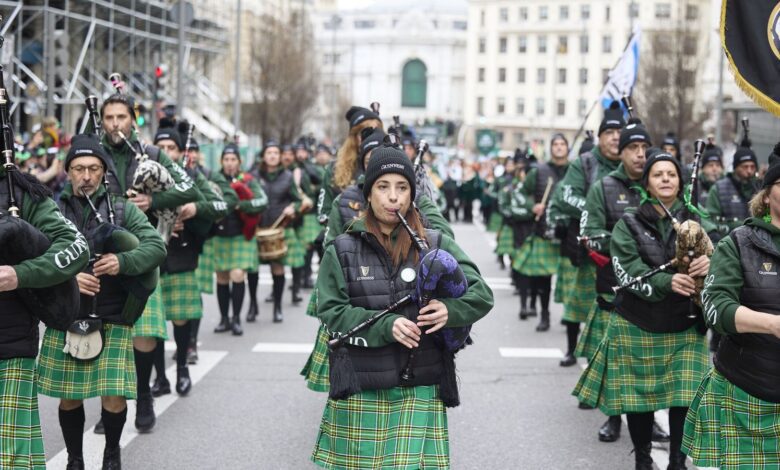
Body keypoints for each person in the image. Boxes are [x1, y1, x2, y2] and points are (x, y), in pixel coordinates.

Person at [310, 146, 493, 468]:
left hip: (419, 385)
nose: (393, 197)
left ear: (411, 194)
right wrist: (386, 326)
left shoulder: (435, 243)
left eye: (402, 187)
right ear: (368, 194)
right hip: (361, 386)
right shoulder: (341, 249)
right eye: (383, 187)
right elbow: (331, 312)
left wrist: (451, 310)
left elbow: (481, 295)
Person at [573, 152, 712, 470]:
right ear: (646, 183)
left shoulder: (697, 220)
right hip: (638, 321)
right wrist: (667, 281)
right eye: (658, 174)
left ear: (680, 183)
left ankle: (677, 461)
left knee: (685, 397)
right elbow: (627, 270)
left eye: (671, 174)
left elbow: (725, 253)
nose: (666, 179)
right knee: (639, 400)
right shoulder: (628, 223)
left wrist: (711, 260)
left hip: (685, 323)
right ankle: (643, 459)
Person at [38, 134, 166, 469]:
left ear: (104, 172)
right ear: (68, 172)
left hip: (112, 314)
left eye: (94, 168)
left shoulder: (123, 209)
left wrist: (123, 262)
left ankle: (111, 453)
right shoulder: (51, 210)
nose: (86, 176)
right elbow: (34, 258)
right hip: (67, 314)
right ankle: (75, 459)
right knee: (70, 396)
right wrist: (67, 278)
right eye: (79, 168)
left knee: (113, 395)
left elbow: (156, 247)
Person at [99, 93, 200, 432]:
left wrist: (152, 200)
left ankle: (143, 394)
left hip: (144, 252)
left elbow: (190, 189)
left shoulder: (152, 153)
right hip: (103, 251)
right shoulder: (93, 154)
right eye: (109, 117)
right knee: (107, 333)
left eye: (121, 117)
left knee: (143, 333)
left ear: (133, 119)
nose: (115, 123)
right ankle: (109, 404)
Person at [682, 145, 780, 469]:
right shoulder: (738, 243)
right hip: (747, 389)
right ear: (767, 194)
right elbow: (714, 306)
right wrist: (771, 324)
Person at [576, 121, 668, 444]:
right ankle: (614, 418)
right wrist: (626, 243)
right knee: (619, 362)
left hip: (657, 290)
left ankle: (650, 420)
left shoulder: (660, 186)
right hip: (614, 287)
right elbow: (588, 235)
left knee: (652, 363)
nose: (640, 154)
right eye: (632, 148)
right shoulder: (603, 187)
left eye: (644, 148)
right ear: (621, 152)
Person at [0, 139, 90, 470]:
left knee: (10, 458)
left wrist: (20, 274)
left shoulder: (20, 194)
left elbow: (75, 247)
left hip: (8, 345)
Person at [149, 128, 230, 397]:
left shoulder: (192, 177)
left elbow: (221, 205)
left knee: (181, 319)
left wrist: (194, 209)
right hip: (150, 258)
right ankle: (160, 376)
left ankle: (182, 366)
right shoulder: (143, 176)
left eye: (171, 147)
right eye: (161, 147)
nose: (166, 152)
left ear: (180, 152)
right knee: (153, 324)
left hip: (182, 256)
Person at [552, 101, 625, 368]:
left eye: (620, 133)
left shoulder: (633, 165)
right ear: (600, 137)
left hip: (624, 248)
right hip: (588, 249)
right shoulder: (584, 163)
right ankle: (571, 349)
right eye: (609, 133)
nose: (615, 138)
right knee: (578, 305)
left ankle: (610, 355)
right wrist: (597, 209)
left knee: (615, 307)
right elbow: (566, 195)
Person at [513, 134, 569, 331]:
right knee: (543, 280)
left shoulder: (576, 171)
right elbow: (519, 192)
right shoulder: (539, 171)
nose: (559, 147)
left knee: (569, 279)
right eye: (556, 144)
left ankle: (569, 315)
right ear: (551, 148)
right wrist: (532, 206)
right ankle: (544, 315)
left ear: (567, 148)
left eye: (562, 144)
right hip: (544, 231)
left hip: (569, 233)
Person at [211, 144, 267, 332]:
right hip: (219, 234)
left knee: (237, 275)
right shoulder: (214, 179)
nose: (229, 163)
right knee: (221, 277)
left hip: (241, 235)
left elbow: (262, 201)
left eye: (233, 159)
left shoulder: (248, 180)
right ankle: (224, 319)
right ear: (221, 161)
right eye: (226, 159)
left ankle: (236, 319)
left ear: (239, 161)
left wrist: (240, 205)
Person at [253, 140, 302, 323]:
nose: (272, 156)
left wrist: (293, 208)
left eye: (275, 152)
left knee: (277, 267)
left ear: (280, 156)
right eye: (269, 152)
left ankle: (278, 307)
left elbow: (298, 200)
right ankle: (252, 305)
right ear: (263, 156)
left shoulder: (288, 177)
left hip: (279, 230)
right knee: (252, 269)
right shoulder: (253, 175)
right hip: (257, 228)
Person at [317, 106, 382, 228]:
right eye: (365, 132)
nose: (371, 136)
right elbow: (323, 213)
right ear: (354, 137)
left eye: (376, 131)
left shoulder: (390, 166)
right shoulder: (335, 169)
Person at [706, 135, 760, 243]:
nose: (749, 171)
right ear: (736, 167)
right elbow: (711, 221)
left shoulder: (761, 188)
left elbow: (768, 217)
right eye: (745, 166)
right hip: (728, 245)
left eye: (752, 167)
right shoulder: (718, 189)